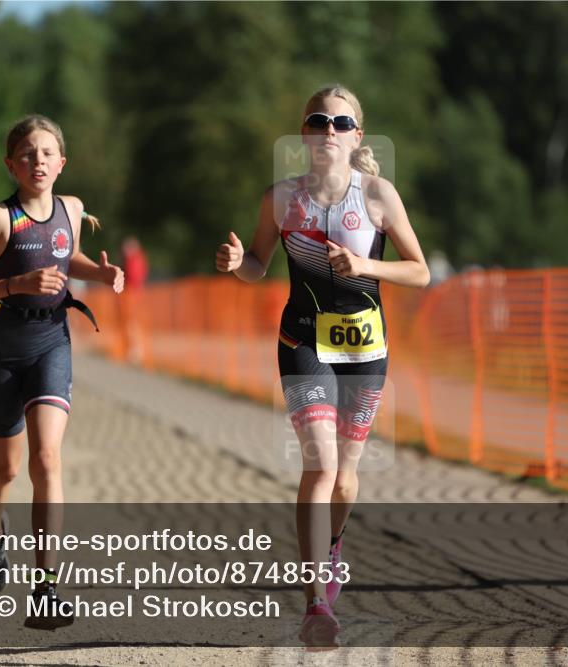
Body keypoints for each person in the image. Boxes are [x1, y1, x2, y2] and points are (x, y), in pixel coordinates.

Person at [215, 85, 429, 646]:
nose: (329, 130)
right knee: (321, 466)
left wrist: (364, 265)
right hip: (303, 342)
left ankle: (334, 547)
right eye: (319, 121)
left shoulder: (379, 195)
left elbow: (420, 271)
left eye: (341, 122)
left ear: (356, 136)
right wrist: (240, 263)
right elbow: (260, 262)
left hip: (365, 348)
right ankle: (315, 603)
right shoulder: (281, 199)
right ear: (306, 133)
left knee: (346, 479)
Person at [0, 114, 124, 630]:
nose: (38, 162)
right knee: (4, 469)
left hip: (52, 340)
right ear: (11, 164)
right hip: (2, 351)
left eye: (47, 153)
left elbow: (67, 256)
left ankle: (46, 588)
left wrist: (103, 271)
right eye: (27, 154)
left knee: (47, 458)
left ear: (62, 162)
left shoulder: (71, 208)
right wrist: (16, 284)